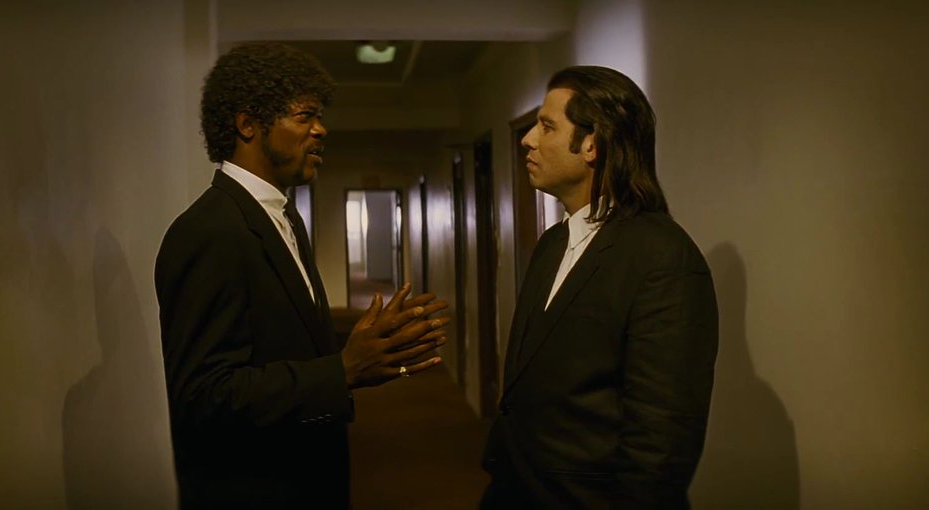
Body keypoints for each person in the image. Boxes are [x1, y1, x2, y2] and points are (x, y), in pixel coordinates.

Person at [155, 42, 449, 509]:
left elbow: (281, 342)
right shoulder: (209, 231)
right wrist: (341, 370)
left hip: (305, 475)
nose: (321, 129)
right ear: (248, 124)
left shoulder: (285, 217)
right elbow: (203, 396)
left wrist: (367, 347)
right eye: (305, 116)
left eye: (319, 117)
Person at [481, 66, 719, 509]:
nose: (528, 140)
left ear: (592, 144)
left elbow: (661, 437)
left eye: (547, 126)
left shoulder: (663, 257)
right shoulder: (553, 243)